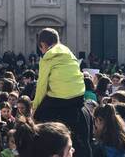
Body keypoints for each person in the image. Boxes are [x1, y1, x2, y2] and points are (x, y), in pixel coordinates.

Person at [32, 28, 92, 157]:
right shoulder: (69, 53)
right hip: (78, 97)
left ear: (42, 45)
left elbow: (42, 84)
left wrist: (35, 108)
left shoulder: (47, 57)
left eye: (41, 48)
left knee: (39, 117)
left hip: (59, 99)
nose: (41, 51)